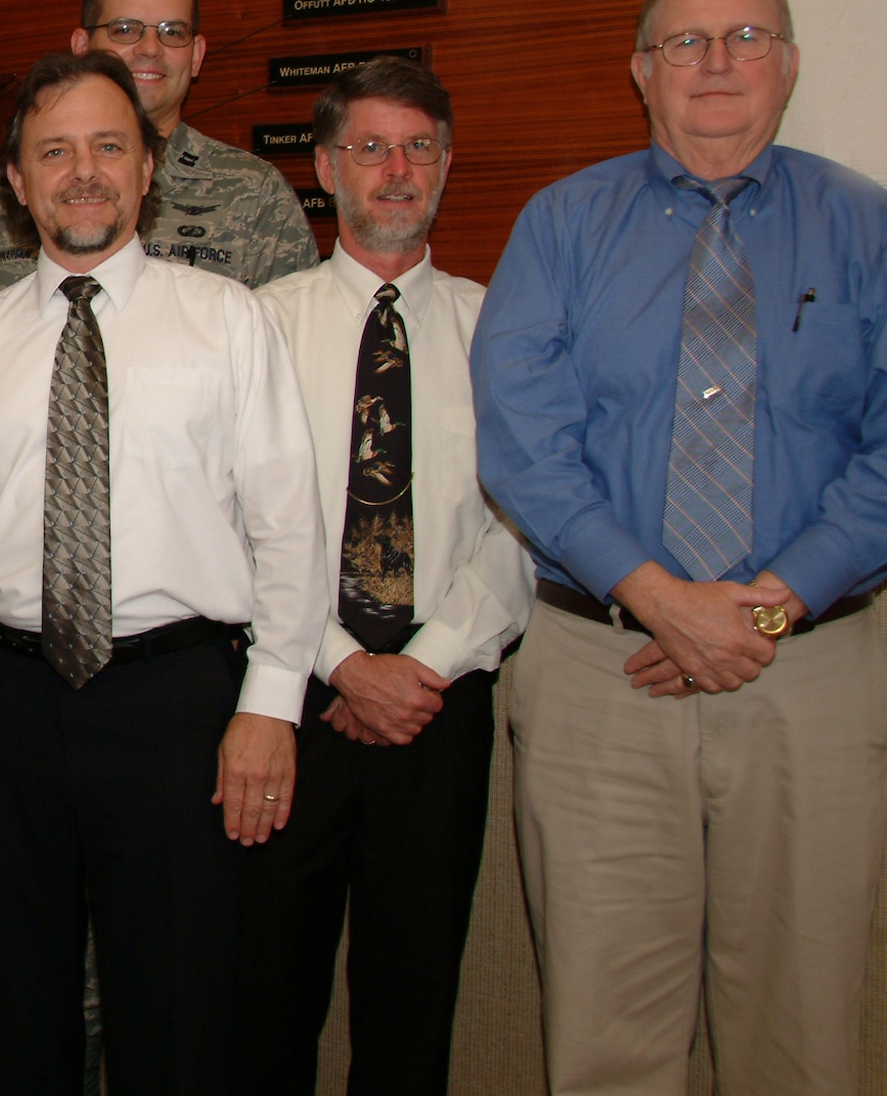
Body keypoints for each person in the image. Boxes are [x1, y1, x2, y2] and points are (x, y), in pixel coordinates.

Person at [472, 0, 887, 1095]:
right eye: (684, 43)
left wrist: (761, 604)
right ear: (639, 73)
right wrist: (656, 594)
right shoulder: (561, 224)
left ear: (789, 66)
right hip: (601, 666)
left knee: (800, 1034)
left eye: (745, 38)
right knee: (604, 1031)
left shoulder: (867, 225)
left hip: (807, 669)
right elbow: (521, 438)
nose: (715, 64)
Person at [0, 50, 325, 1095]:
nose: (83, 171)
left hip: (176, 705)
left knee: (177, 1008)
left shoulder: (227, 320)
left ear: (146, 167)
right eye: (54, 151)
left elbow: (289, 531)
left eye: (107, 146)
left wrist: (270, 704)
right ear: (16, 181)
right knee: (11, 1001)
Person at [240, 58, 534, 1095]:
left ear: (446, 165)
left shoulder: (499, 326)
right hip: (285, 699)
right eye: (368, 146)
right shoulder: (259, 326)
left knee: (411, 1001)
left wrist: (423, 666)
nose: (394, 168)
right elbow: (228, 520)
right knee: (263, 994)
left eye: (416, 147)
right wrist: (336, 661)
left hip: (435, 708)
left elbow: (520, 521)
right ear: (323, 166)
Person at [0, 0, 316, 302]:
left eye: (173, 32)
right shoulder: (8, 199)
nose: (150, 48)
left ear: (196, 55)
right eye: (126, 29)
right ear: (82, 47)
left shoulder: (256, 195)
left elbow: (287, 345)